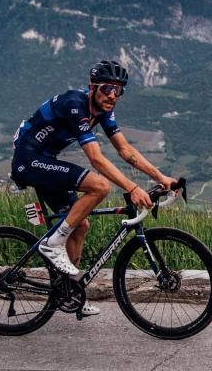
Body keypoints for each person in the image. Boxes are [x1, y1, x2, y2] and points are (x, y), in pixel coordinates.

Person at [10, 60, 177, 316]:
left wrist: (161, 177)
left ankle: (68, 291)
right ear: (93, 87)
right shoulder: (75, 105)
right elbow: (96, 159)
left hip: (45, 160)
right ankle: (51, 245)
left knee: (80, 225)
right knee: (100, 186)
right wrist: (132, 188)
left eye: (118, 90)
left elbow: (125, 150)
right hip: (29, 159)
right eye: (107, 88)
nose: (112, 95)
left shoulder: (104, 111)